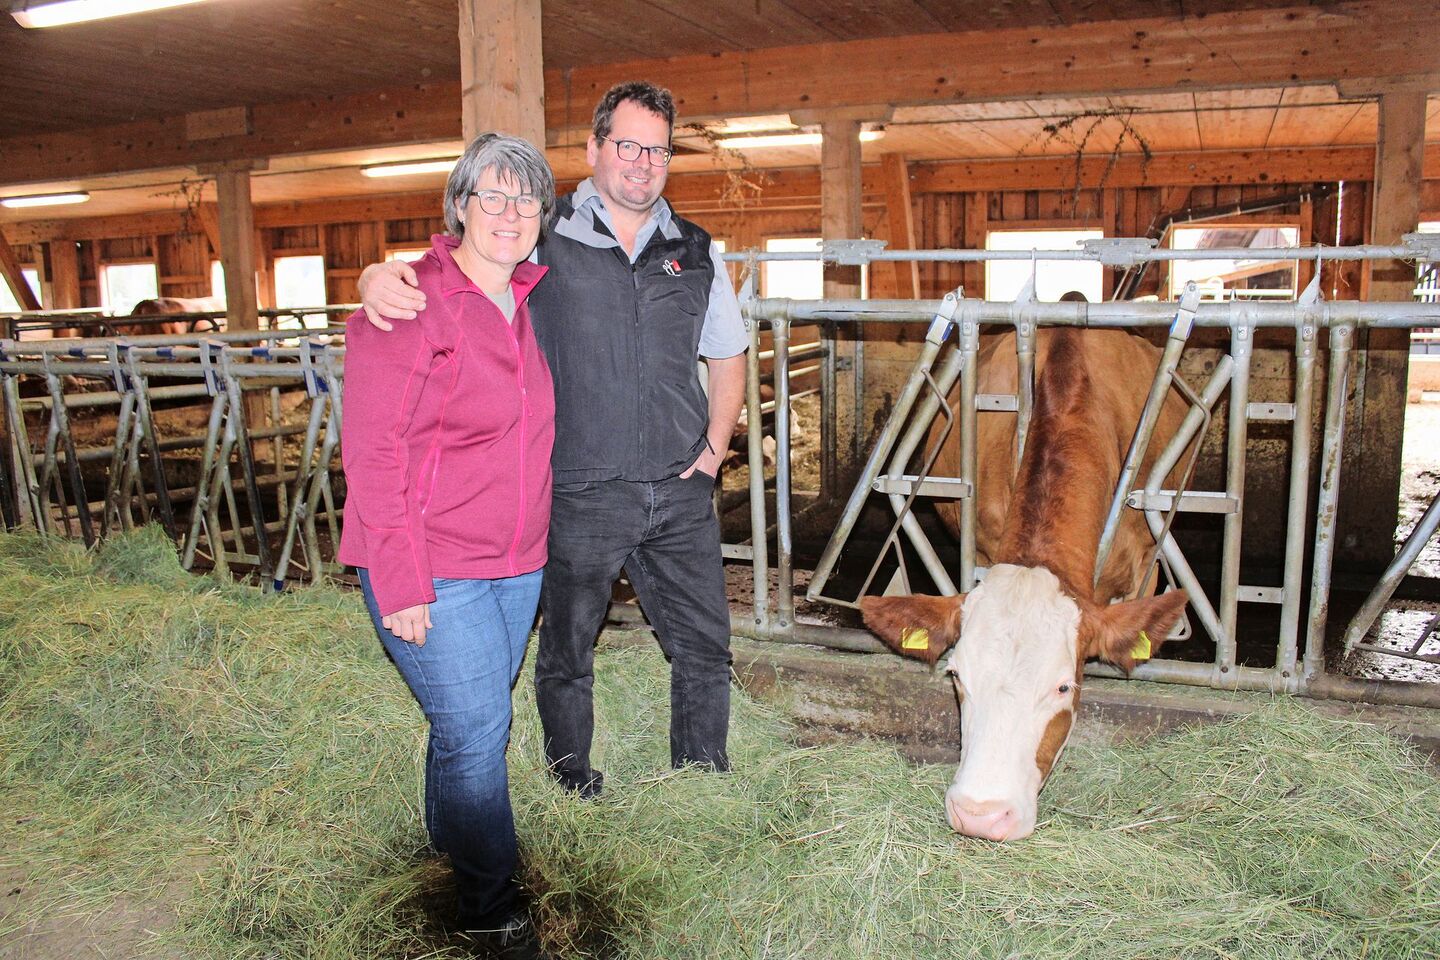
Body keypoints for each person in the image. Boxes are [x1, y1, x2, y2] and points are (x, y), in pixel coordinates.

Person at [359, 81, 748, 799]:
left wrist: (713, 450)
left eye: (658, 150)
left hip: (679, 485)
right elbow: (460, 257)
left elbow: (728, 353)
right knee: (567, 650)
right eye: (627, 145)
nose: (642, 163)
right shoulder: (543, 229)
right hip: (578, 485)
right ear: (594, 149)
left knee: (704, 644)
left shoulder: (694, 249)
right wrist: (379, 274)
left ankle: (701, 781)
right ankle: (572, 781)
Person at [339, 132, 556, 958]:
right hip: (431, 562)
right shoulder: (410, 302)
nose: (509, 212)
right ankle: (490, 907)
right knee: (477, 729)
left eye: (525, 198)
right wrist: (401, 579)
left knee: (468, 722)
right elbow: (374, 451)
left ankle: (447, 845)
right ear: (460, 206)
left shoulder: (529, 299)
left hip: (516, 561)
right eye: (490, 195)